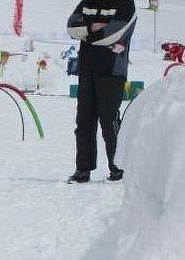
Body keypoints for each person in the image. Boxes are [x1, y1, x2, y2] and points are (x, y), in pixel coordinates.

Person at [66, 0, 136, 183]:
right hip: (87, 69)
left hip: (112, 70)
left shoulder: (125, 4)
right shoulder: (87, 2)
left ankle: (118, 166)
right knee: (84, 120)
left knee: (109, 119)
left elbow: (115, 33)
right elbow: (72, 28)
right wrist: (94, 27)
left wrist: (87, 32)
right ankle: (83, 169)